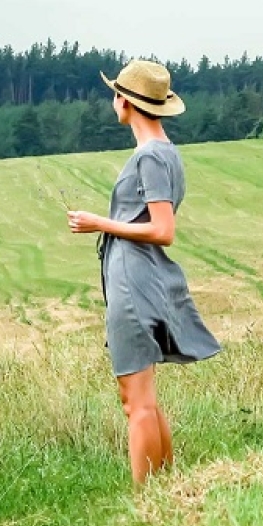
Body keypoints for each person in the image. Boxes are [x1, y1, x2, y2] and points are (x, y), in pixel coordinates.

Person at [67, 59, 222, 487]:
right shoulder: (166, 152)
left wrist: (98, 222)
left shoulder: (150, 157)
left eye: (116, 94)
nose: (113, 101)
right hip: (141, 277)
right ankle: (167, 491)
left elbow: (163, 229)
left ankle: (143, 502)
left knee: (134, 402)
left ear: (127, 102)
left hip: (133, 281)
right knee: (145, 401)